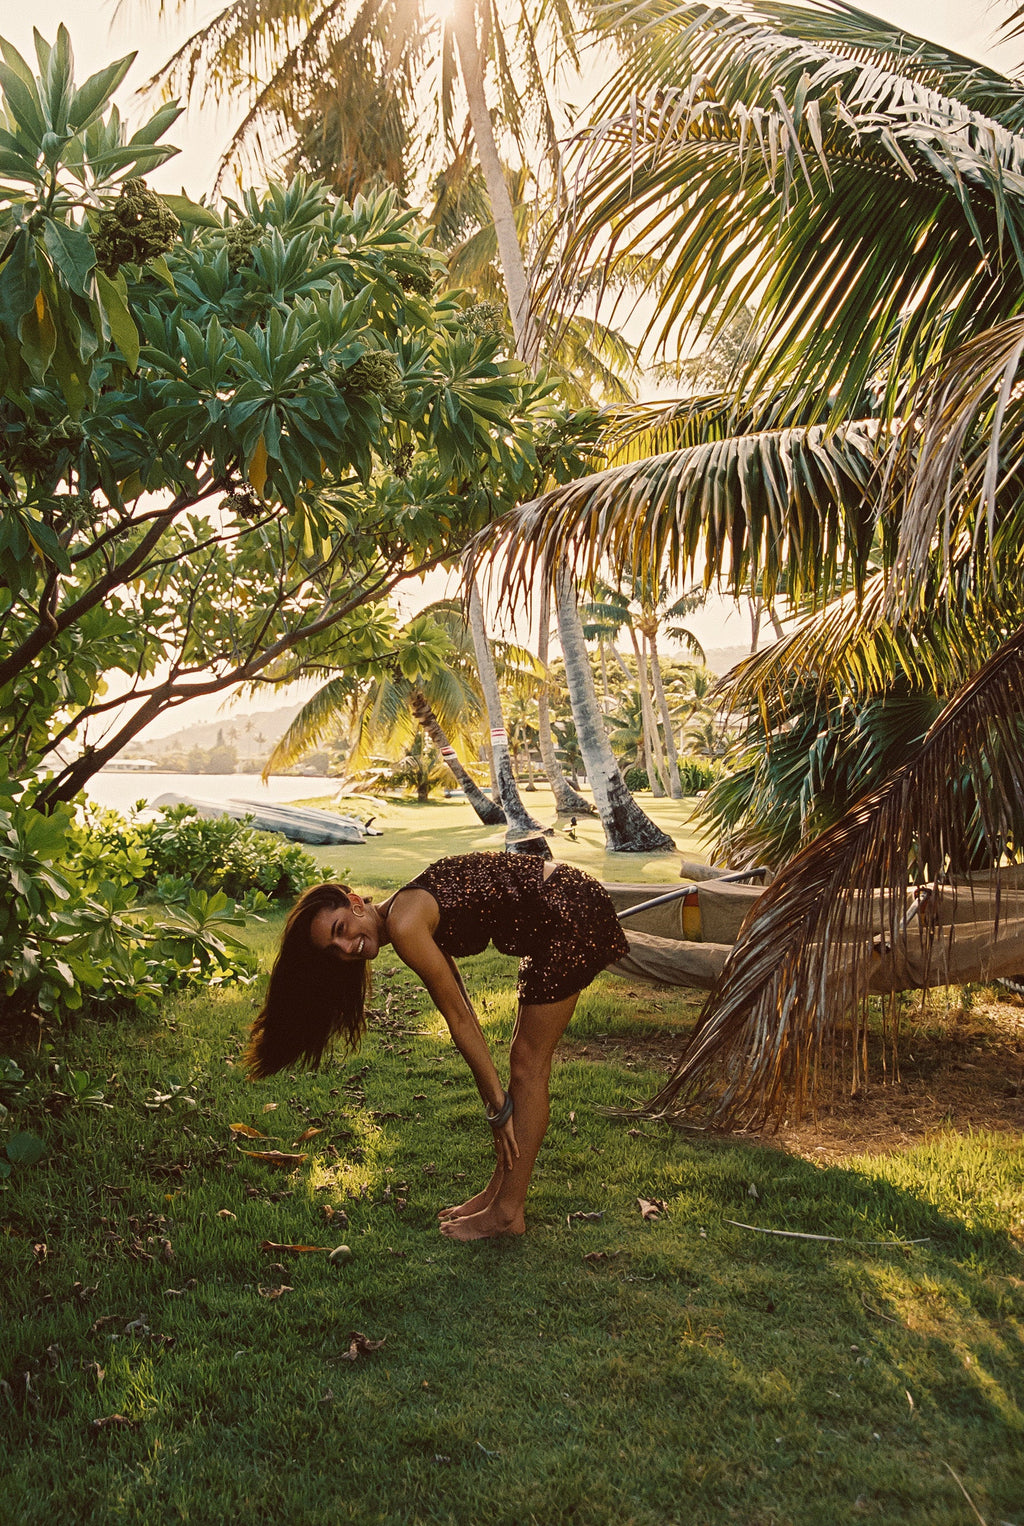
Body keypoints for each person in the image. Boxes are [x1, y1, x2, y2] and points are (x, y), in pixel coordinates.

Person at [244, 851, 630, 1241]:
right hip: (562, 905)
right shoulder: (404, 910)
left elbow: (457, 1019)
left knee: (528, 1064)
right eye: (333, 948)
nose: (346, 948)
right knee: (523, 1062)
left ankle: (508, 1213)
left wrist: (498, 1108)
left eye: (341, 928)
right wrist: (496, 1100)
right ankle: (499, 1195)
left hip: (566, 910)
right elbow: (462, 1002)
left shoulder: (405, 922)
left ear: (356, 903)